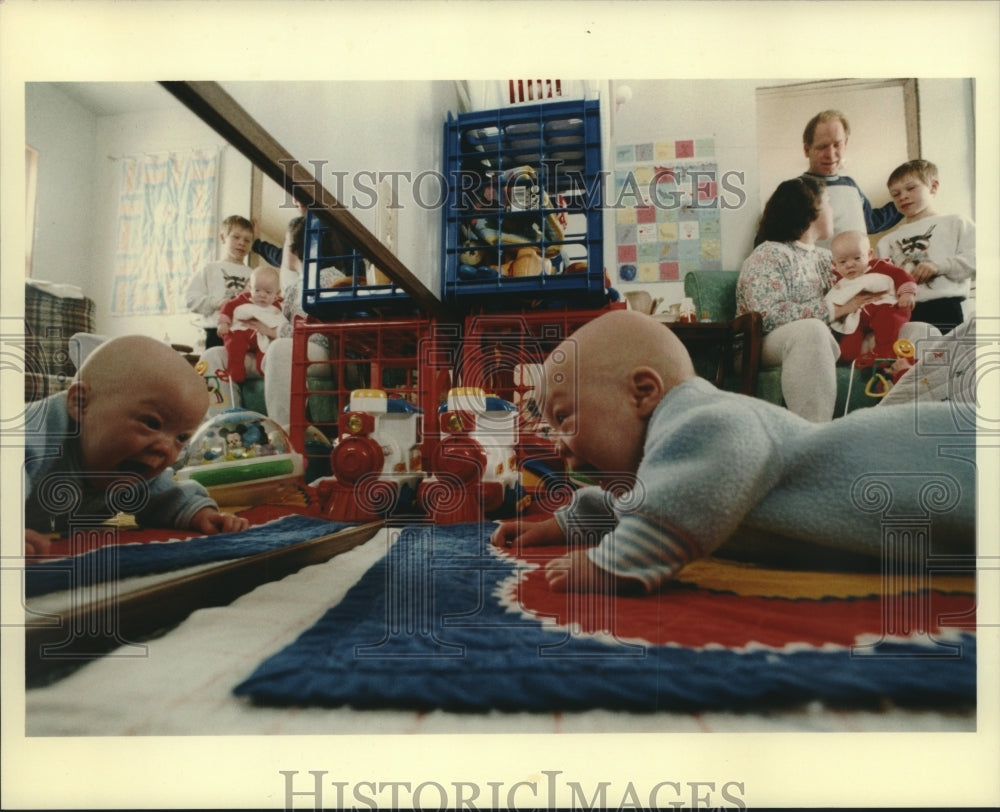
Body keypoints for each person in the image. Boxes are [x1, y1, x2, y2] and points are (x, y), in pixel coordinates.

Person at [490, 310, 974, 594]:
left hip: (941, 458)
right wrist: (562, 524)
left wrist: (611, 563)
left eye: (565, 417)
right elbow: (649, 502)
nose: (557, 444)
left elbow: (685, 491)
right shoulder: (675, 473)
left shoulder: (705, 418)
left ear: (642, 392)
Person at [24, 335, 249, 557]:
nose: (165, 448)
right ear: (82, 404)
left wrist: (200, 513)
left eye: (181, 438)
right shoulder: (39, 431)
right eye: (152, 423)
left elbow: (164, 494)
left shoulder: (130, 469)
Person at [876, 159, 975, 333]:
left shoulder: (956, 222)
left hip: (946, 307)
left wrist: (939, 266)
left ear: (933, 186)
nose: (903, 196)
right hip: (904, 311)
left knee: (946, 358)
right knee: (911, 359)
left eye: (911, 188)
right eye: (896, 194)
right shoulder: (887, 241)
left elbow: (978, 259)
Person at [800, 110, 901, 247]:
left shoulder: (850, 185)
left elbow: (871, 222)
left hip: (860, 267)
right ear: (807, 149)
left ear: (845, 143)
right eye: (822, 146)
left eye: (837, 145)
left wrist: (904, 202)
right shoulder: (795, 189)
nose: (830, 154)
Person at [826, 230, 916, 365]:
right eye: (843, 261)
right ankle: (846, 360)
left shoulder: (879, 266)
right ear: (835, 264)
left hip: (886, 306)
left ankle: (884, 352)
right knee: (850, 334)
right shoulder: (839, 280)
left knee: (888, 324)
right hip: (858, 315)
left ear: (869, 255)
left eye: (857, 258)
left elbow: (901, 276)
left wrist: (907, 293)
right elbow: (834, 300)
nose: (850, 265)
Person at [185, 214, 255, 349]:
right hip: (215, 333)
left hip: (244, 334)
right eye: (236, 237)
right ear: (223, 238)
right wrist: (217, 303)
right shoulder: (210, 269)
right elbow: (191, 299)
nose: (242, 243)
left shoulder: (253, 274)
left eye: (247, 240)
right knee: (214, 368)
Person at [218, 265, 288, 383]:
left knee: (268, 349)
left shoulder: (276, 306)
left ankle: (265, 369)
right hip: (240, 332)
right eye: (257, 290)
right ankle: (235, 370)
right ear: (250, 288)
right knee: (234, 345)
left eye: (268, 292)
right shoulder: (243, 298)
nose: (262, 295)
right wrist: (223, 323)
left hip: (261, 336)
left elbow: (279, 323)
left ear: (277, 293)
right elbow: (227, 307)